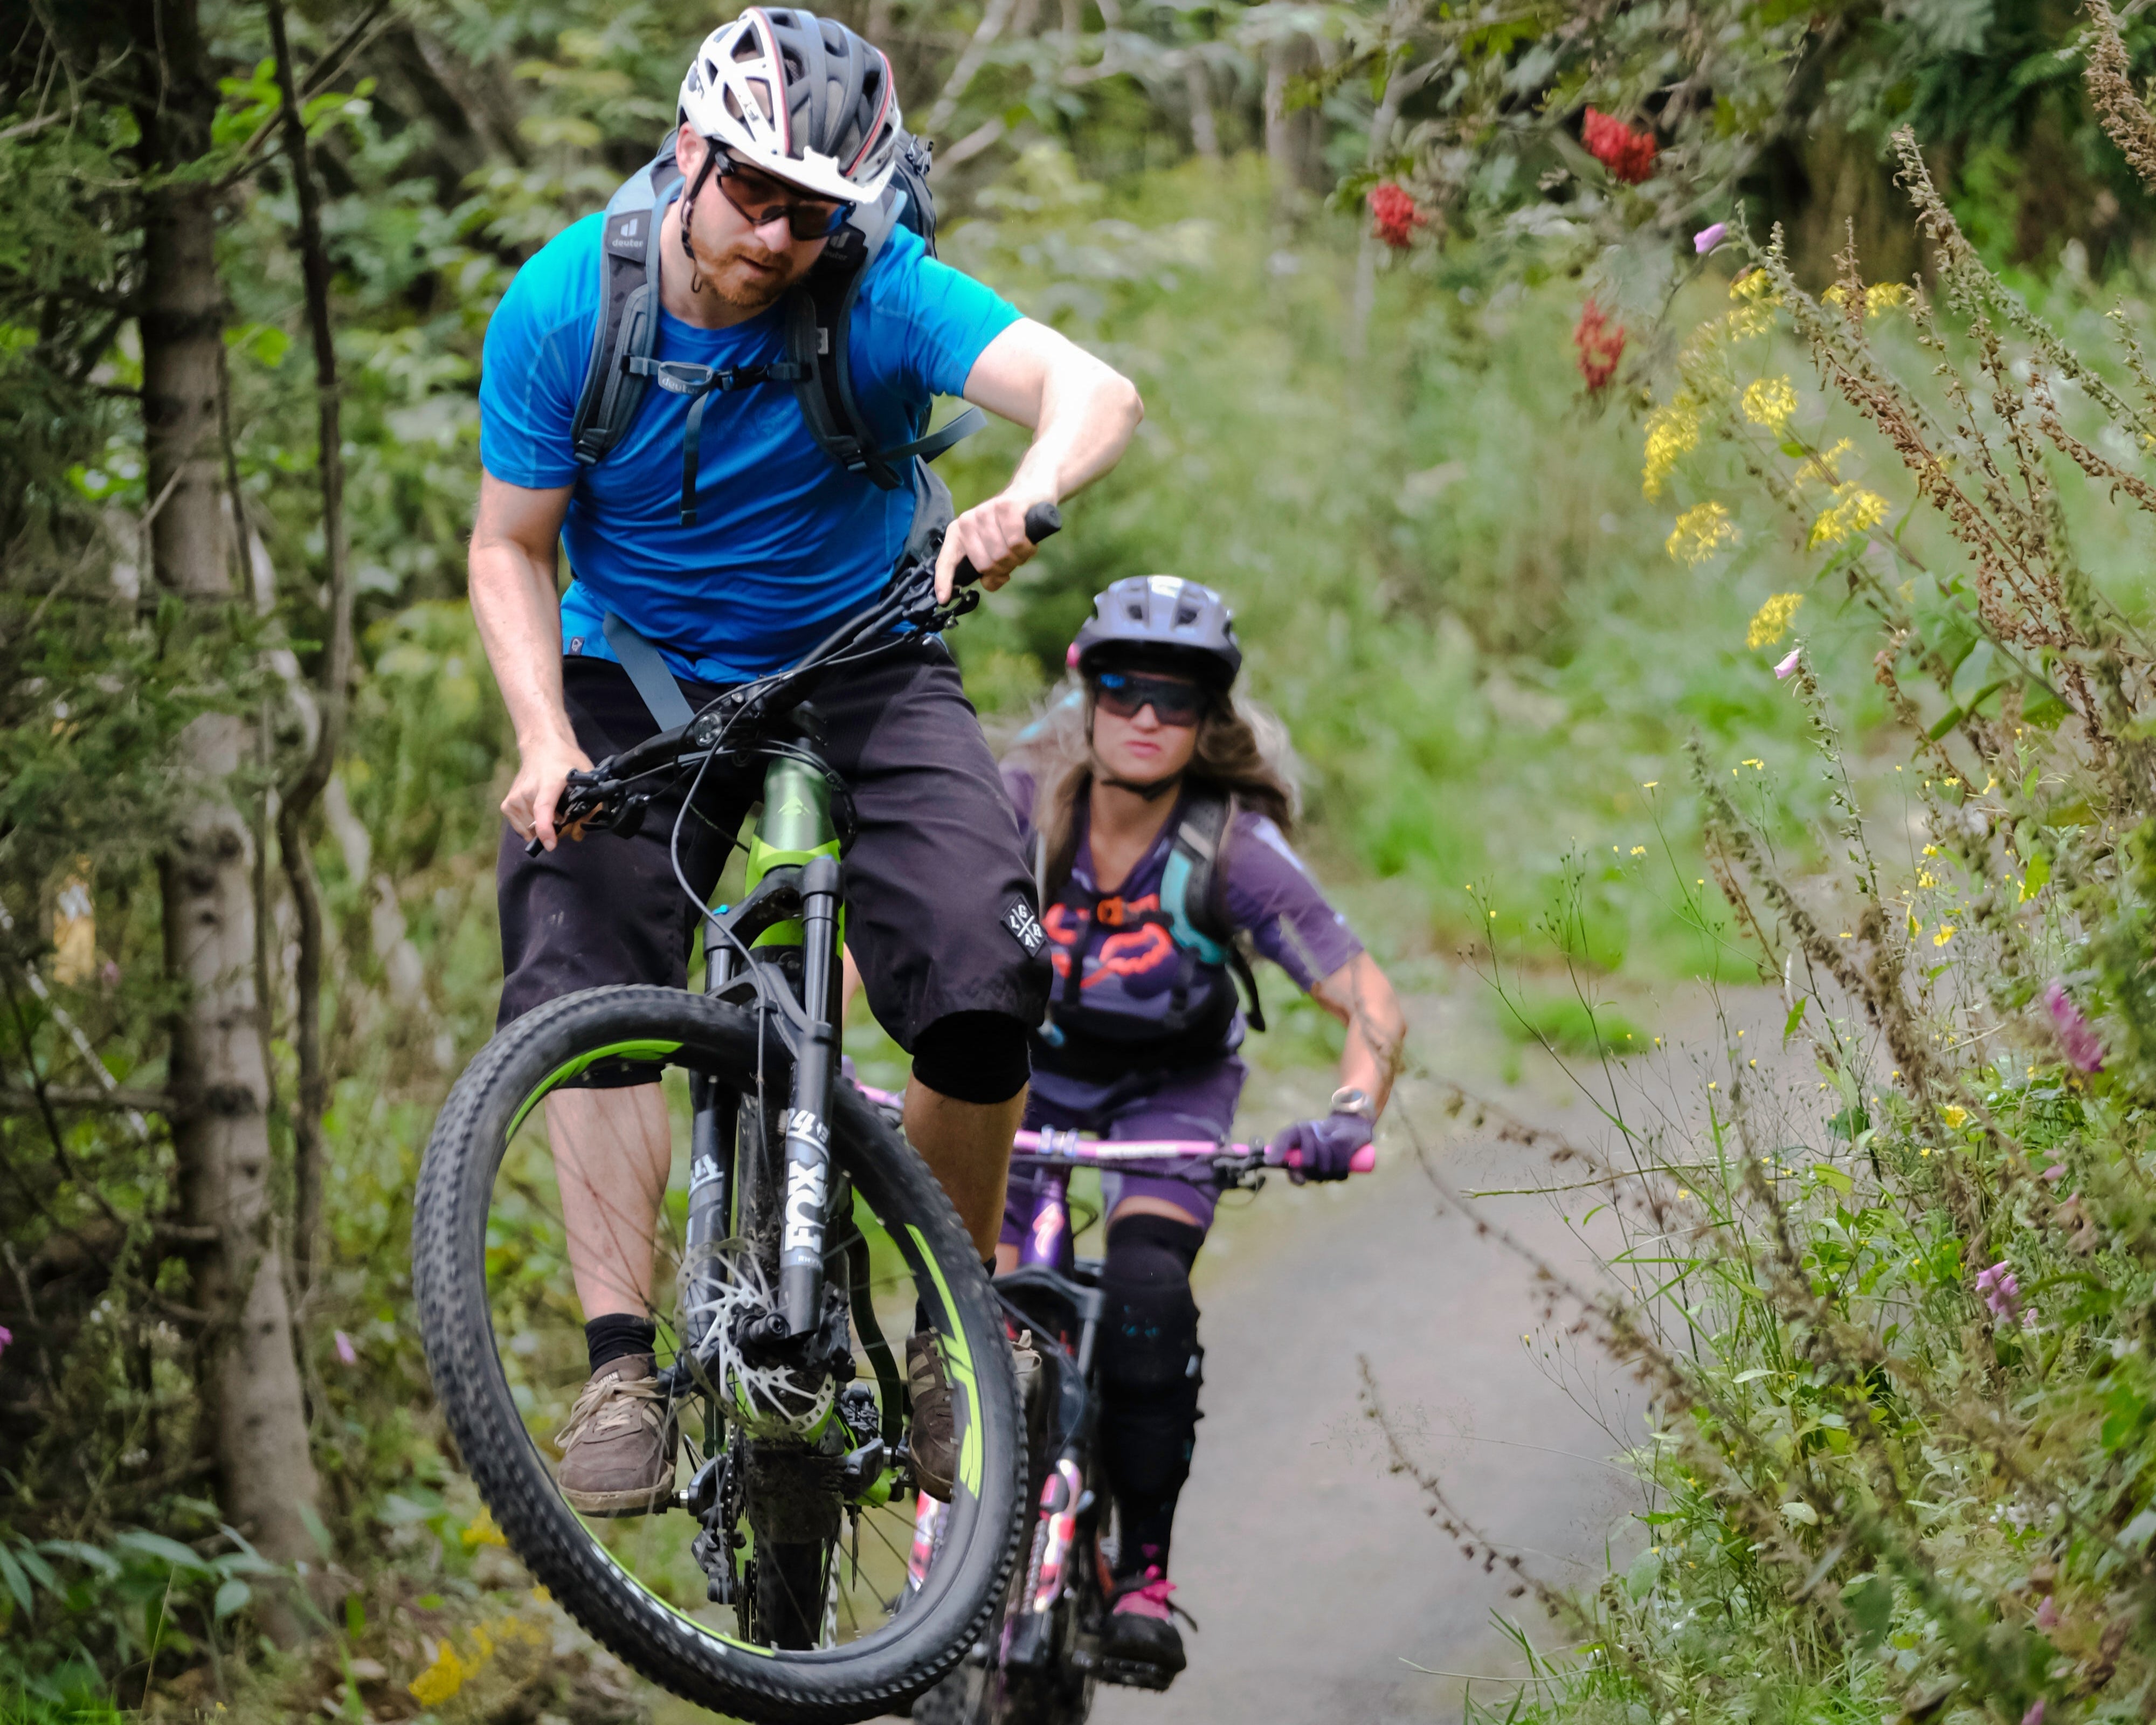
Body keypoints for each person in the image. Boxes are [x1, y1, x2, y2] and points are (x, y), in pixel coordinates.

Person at [468, 5, 1142, 1515]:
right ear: (694, 151)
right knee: (579, 969)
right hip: (630, 671)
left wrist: (1021, 501)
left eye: (815, 210)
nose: (777, 235)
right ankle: (622, 1368)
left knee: (981, 972)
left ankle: (947, 1343)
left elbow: (1094, 392)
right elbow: (509, 547)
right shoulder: (570, 302)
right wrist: (542, 736)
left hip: (866, 655)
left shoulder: (884, 292)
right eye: (755, 193)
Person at [998, 576, 1407, 1681]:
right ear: (1085, 692)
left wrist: (1347, 1112)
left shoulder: (1232, 850)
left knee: (1143, 1294)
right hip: (1026, 1077)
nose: (1145, 718)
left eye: (1174, 703)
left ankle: (1143, 1574)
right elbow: (896, 923)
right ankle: (955, 1537)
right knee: (980, 1305)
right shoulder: (1016, 805)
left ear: (1206, 719)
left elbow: (1369, 1000)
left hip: (1169, 1094)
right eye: (1124, 690)